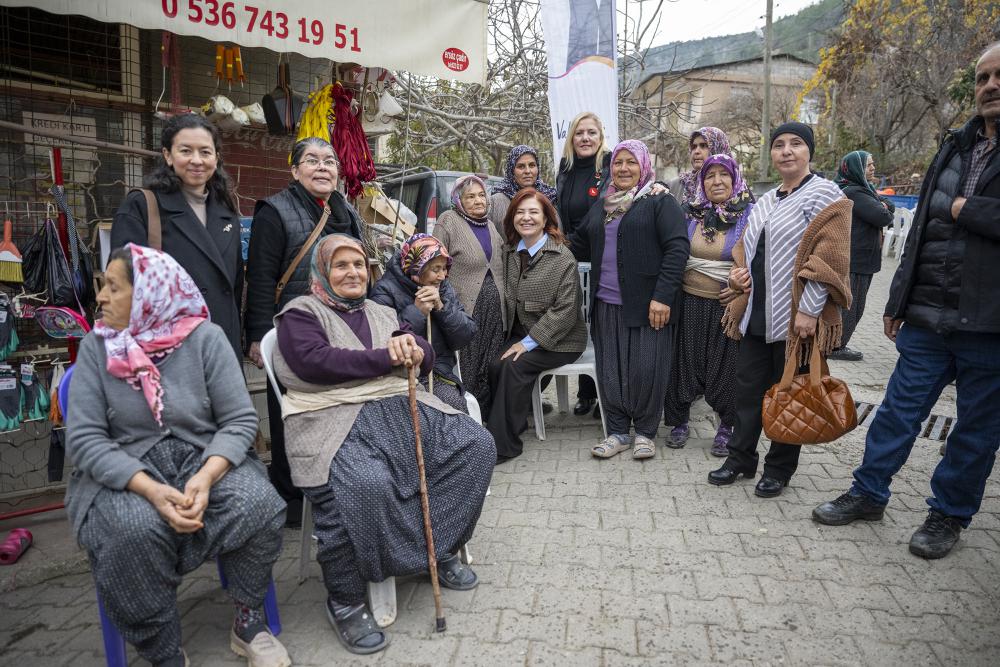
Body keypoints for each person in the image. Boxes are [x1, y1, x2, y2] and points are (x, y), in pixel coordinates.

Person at [812, 44, 1000, 559]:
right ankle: (868, 492)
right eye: (983, 76)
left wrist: (965, 208)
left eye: (999, 76)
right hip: (927, 316)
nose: (989, 85)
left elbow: (952, 214)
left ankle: (948, 515)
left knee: (976, 431)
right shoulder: (957, 146)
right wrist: (897, 301)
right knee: (897, 412)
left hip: (989, 325)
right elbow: (919, 231)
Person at [65, 245, 289, 667]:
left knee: (258, 503)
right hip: (126, 469)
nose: (101, 298)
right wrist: (150, 490)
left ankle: (248, 619)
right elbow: (85, 439)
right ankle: (162, 648)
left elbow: (240, 421)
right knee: (132, 529)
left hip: (203, 458)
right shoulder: (98, 348)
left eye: (113, 288)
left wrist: (205, 478)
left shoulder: (206, 338)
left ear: (149, 293)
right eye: (103, 287)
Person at [273, 234, 493, 653]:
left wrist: (415, 350)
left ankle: (438, 546)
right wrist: (386, 358)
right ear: (322, 272)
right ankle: (346, 600)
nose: (353, 272)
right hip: (331, 418)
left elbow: (421, 350)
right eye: (341, 265)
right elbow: (312, 362)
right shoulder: (299, 314)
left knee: (474, 446)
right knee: (365, 484)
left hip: (391, 408)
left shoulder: (379, 309)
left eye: (359, 265)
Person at [709, 122, 851, 497]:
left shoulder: (826, 195)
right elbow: (748, 249)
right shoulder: (768, 198)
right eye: (779, 145)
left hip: (795, 317)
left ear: (810, 152)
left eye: (796, 144)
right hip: (757, 312)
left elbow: (828, 257)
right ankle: (740, 458)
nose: (786, 151)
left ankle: (779, 468)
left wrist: (809, 309)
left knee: (790, 390)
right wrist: (739, 274)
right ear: (770, 154)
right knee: (748, 391)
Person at [245, 136, 365, 527]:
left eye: (329, 161)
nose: (322, 167)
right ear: (294, 171)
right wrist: (256, 334)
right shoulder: (274, 212)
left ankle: (332, 482)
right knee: (289, 414)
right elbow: (261, 278)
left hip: (338, 326)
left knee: (333, 407)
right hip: (291, 328)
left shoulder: (343, 210)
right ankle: (291, 496)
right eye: (311, 161)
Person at [570, 140, 689, 460]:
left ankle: (647, 432)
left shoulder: (658, 201)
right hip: (606, 303)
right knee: (611, 368)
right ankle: (619, 431)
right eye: (618, 163)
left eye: (630, 162)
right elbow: (579, 241)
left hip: (650, 305)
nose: (623, 168)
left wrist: (663, 297)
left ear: (643, 166)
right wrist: (539, 235)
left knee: (646, 369)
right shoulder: (604, 203)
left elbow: (678, 249)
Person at [112, 113, 243, 361]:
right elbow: (122, 281)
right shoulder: (142, 205)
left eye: (205, 152)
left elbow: (235, 285)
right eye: (186, 151)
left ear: (216, 158)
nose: (197, 160)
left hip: (222, 341)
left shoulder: (225, 210)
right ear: (168, 156)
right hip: (167, 345)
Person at [663, 154, 754, 457]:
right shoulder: (690, 214)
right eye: (709, 176)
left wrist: (740, 286)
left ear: (734, 178)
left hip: (726, 306)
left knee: (725, 367)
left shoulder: (750, 215)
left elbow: (757, 260)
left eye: (723, 175)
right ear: (701, 182)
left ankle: (726, 427)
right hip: (689, 301)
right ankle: (678, 421)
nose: (717, 181)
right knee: (684, 363)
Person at [489, 189, 587, 462]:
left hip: (563, 339)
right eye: (520, 212)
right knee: (495, 364)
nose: (526, 218)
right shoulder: (509, 252)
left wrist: (527, 343)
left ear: (545, 220)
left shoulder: (561, 257)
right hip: (523, 333)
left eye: (533, 212)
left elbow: (566, 312)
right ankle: (508, 425)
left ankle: (503, 446)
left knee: (513, 365)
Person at [371, 233, 476, 412]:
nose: (442, 276)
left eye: (444, 268)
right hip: (399, 377)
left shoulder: (443, 288)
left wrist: (442, 308)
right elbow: (382, 339)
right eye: (436, 269)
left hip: (437, 373)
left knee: (452, 409)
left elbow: (465, 336)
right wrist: (417, 311)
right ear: (416, 268)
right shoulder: (384, 290)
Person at [431, 175, 506, 414]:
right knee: (468, 364)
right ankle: (467, 414)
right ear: (458, 200)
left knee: (491, 361)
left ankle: (487, 413)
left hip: (495, 310)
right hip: (466, 309)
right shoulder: (448, 221)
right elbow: (434, 261)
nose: (478, 201)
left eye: (481, 195)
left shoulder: (491, 225)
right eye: (470, 196)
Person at [556, 111, 612, 419]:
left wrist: (571, 242)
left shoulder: (608, 166)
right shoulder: (565, 169)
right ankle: (585, 392)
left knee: (601, 324)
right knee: (578, 322)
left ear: (600, 137)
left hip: (602, 255)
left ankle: (603, 391)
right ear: (572, 138)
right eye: (580, 133)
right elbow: (560, 210)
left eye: (592, 132)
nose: (585, 138)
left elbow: (600, 209)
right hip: (571, 259)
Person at [827, 150, 895, 362]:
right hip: (856, 260)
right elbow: (882, 216)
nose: (873, 168)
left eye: (873, 163)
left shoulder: (862, 190)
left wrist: (884, 204)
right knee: (851, 307)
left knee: (853, 305)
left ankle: (836, 343)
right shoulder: (855, 192)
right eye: (868, 165)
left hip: (859, 259)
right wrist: (883, 206)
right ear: (856, 169)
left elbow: (886, 206)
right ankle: (836, 346)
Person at [489, 145, 559, 233]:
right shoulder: (497, 201)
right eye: (521, 166)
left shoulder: (550, 197)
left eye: (532, 165)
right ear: (511, 170)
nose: (527, 171)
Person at [667, 127, 734, 206]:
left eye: (703, 146)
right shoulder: (677, 185)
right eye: (694, 147)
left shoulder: (737, 188)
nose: (696, 151)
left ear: (718, 148)